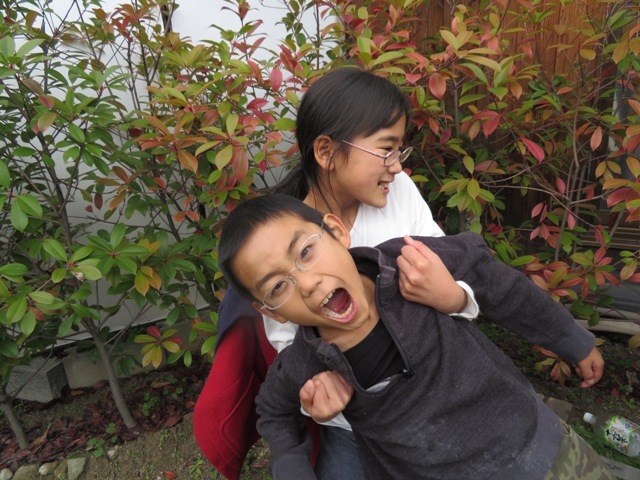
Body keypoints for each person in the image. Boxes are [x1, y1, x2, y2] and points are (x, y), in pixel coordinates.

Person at [193, 68, 481, 479]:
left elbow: (454, 271)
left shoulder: (400, 194)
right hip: (358, 428)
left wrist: (454, 297)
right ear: (326, 152)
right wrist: (316, 395)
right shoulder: (283, 237)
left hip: (443, 399)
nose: (396, 167)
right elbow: (289, 348)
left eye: (399, 150)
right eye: (386, 150)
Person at [218, 194, 613, 480]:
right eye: (277, 287)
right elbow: (272, 410)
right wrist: (291, 465)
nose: (306, 284)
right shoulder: (308, 362)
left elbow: (494, 281)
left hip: (535, 445)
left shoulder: (410, 264)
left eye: (306, 252)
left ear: (336, 232)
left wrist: (571, 339)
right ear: (271, 312)